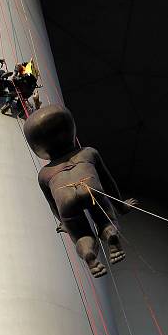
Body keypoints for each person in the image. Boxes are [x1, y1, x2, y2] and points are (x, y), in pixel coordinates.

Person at [23, 104, 137, 277]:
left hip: (65, 199)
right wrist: (121, 207)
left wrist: (65, 225)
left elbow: (53, 205)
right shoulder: (88, 152)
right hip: (90, 188)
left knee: (82, 234)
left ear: (37, 146)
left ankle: (88, 254)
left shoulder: (44, 174)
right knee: (105, 220)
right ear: (70, 129)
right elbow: (108, 183)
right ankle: (111, 234)